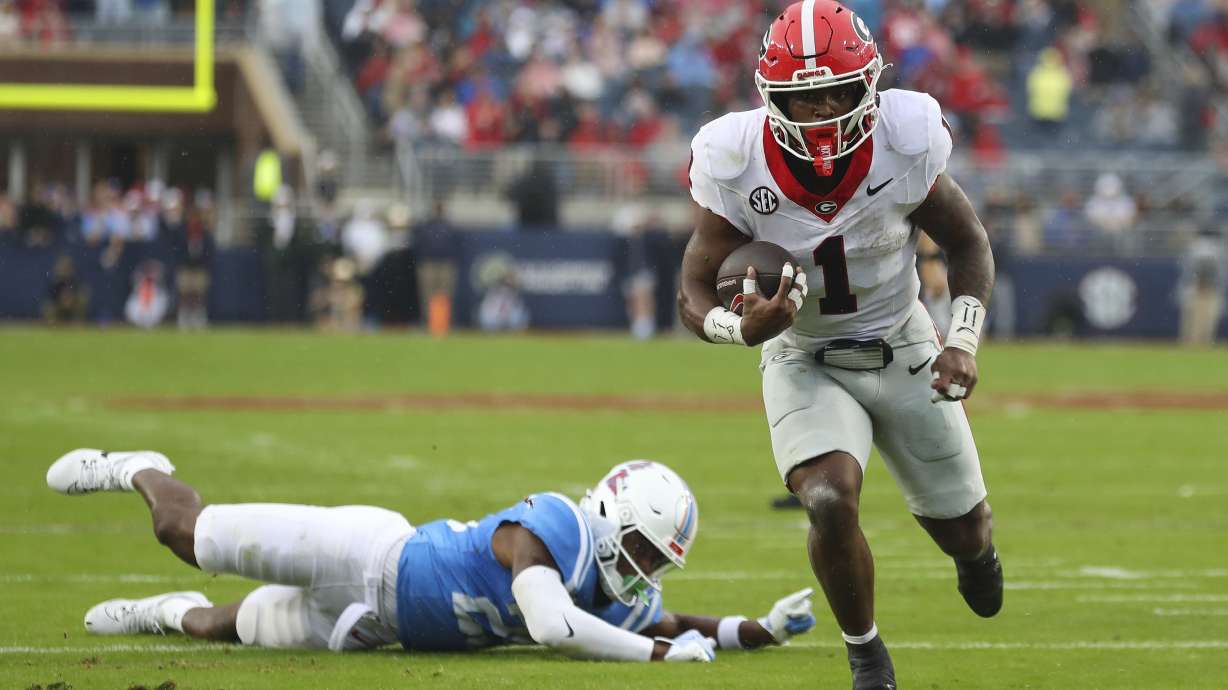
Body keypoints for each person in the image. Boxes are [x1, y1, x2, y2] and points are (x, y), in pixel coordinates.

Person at [677, 3, 1002, 688]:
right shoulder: (736, 159)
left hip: (902, 338)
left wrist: (963, 340)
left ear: (870, 87)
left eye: (837, 92)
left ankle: (974, 555)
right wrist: (743, 329)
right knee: (829, 497)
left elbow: (969, 241)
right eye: (804, 96)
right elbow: (692, 290)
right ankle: (866, 654)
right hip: (803, 354)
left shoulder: (906, 138)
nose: (823, 110)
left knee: (964, 531)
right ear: (773, 99)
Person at [44, 451, 817, 661]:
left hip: (376, 629)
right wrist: (653, 658)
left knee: (222, 627)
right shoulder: (557, 525)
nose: (646, 568)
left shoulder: (615, 593)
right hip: (368, 556)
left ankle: (152, 616)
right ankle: (138, 469)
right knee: (188, 537)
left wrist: (757, 630)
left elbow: (676, 618)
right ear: (615, 516)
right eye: (646, 548)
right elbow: (550, 626)